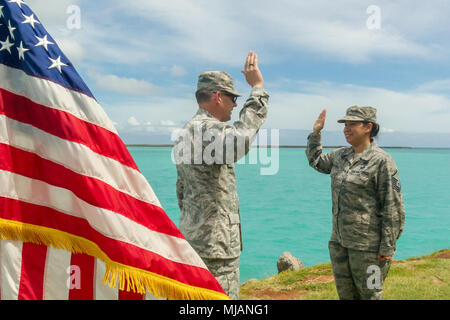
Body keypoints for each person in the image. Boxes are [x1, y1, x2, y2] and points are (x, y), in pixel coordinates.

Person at [174, 51, 269, 299]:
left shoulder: (185, 132)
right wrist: (257, 89)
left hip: (194, 239)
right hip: (216, 248)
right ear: (217, 96)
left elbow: (182, 191)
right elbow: (241, 140)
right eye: (232, 97)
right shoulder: (206, 130)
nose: (235, 104)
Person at [305, 106, 405, 300]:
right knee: (346, 296)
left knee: (371, 295)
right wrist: (316, 133)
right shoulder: (340, 156)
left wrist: (387, 246)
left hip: (369, 247)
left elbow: (392, 206)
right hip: (339, 243)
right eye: (345, 124)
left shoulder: (382, 161)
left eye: (352, 124)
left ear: (368, 127)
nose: (346, 129)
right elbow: (316, 161)